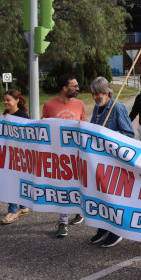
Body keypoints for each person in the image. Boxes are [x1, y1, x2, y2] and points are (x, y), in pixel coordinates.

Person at [86, 77, 134, 248]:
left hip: (114, 162)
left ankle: (116, 231)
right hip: (99, 162)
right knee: (100, 197)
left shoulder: (117, 108)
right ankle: (103, 227)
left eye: (97, 93)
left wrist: (109, 137)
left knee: (113, 198)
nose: (94, 97)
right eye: (93, 94)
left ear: (106, 92)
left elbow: (129, 134)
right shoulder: (97, 109)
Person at [42, 74, 86, 238]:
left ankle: (77, 210)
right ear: (64, 88)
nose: (78, 88)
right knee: (63, 188)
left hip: (76, 156)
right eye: (74, 86)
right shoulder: (49, 105)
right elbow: (42, 129)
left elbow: (83, 126)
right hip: (58, 157)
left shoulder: (80, 104)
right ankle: (63, 222)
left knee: (77, 186)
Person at [0, 90, 30, 224]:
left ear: (17, 100)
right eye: (5, 100)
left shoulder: (22, 116)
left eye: (8, 100)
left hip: (19, 155)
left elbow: (28, 135)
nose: (6, 102)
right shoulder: (5, 115)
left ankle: (12, 211)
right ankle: (23, 207)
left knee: (12, 183)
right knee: (15, 181)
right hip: (8, 153)